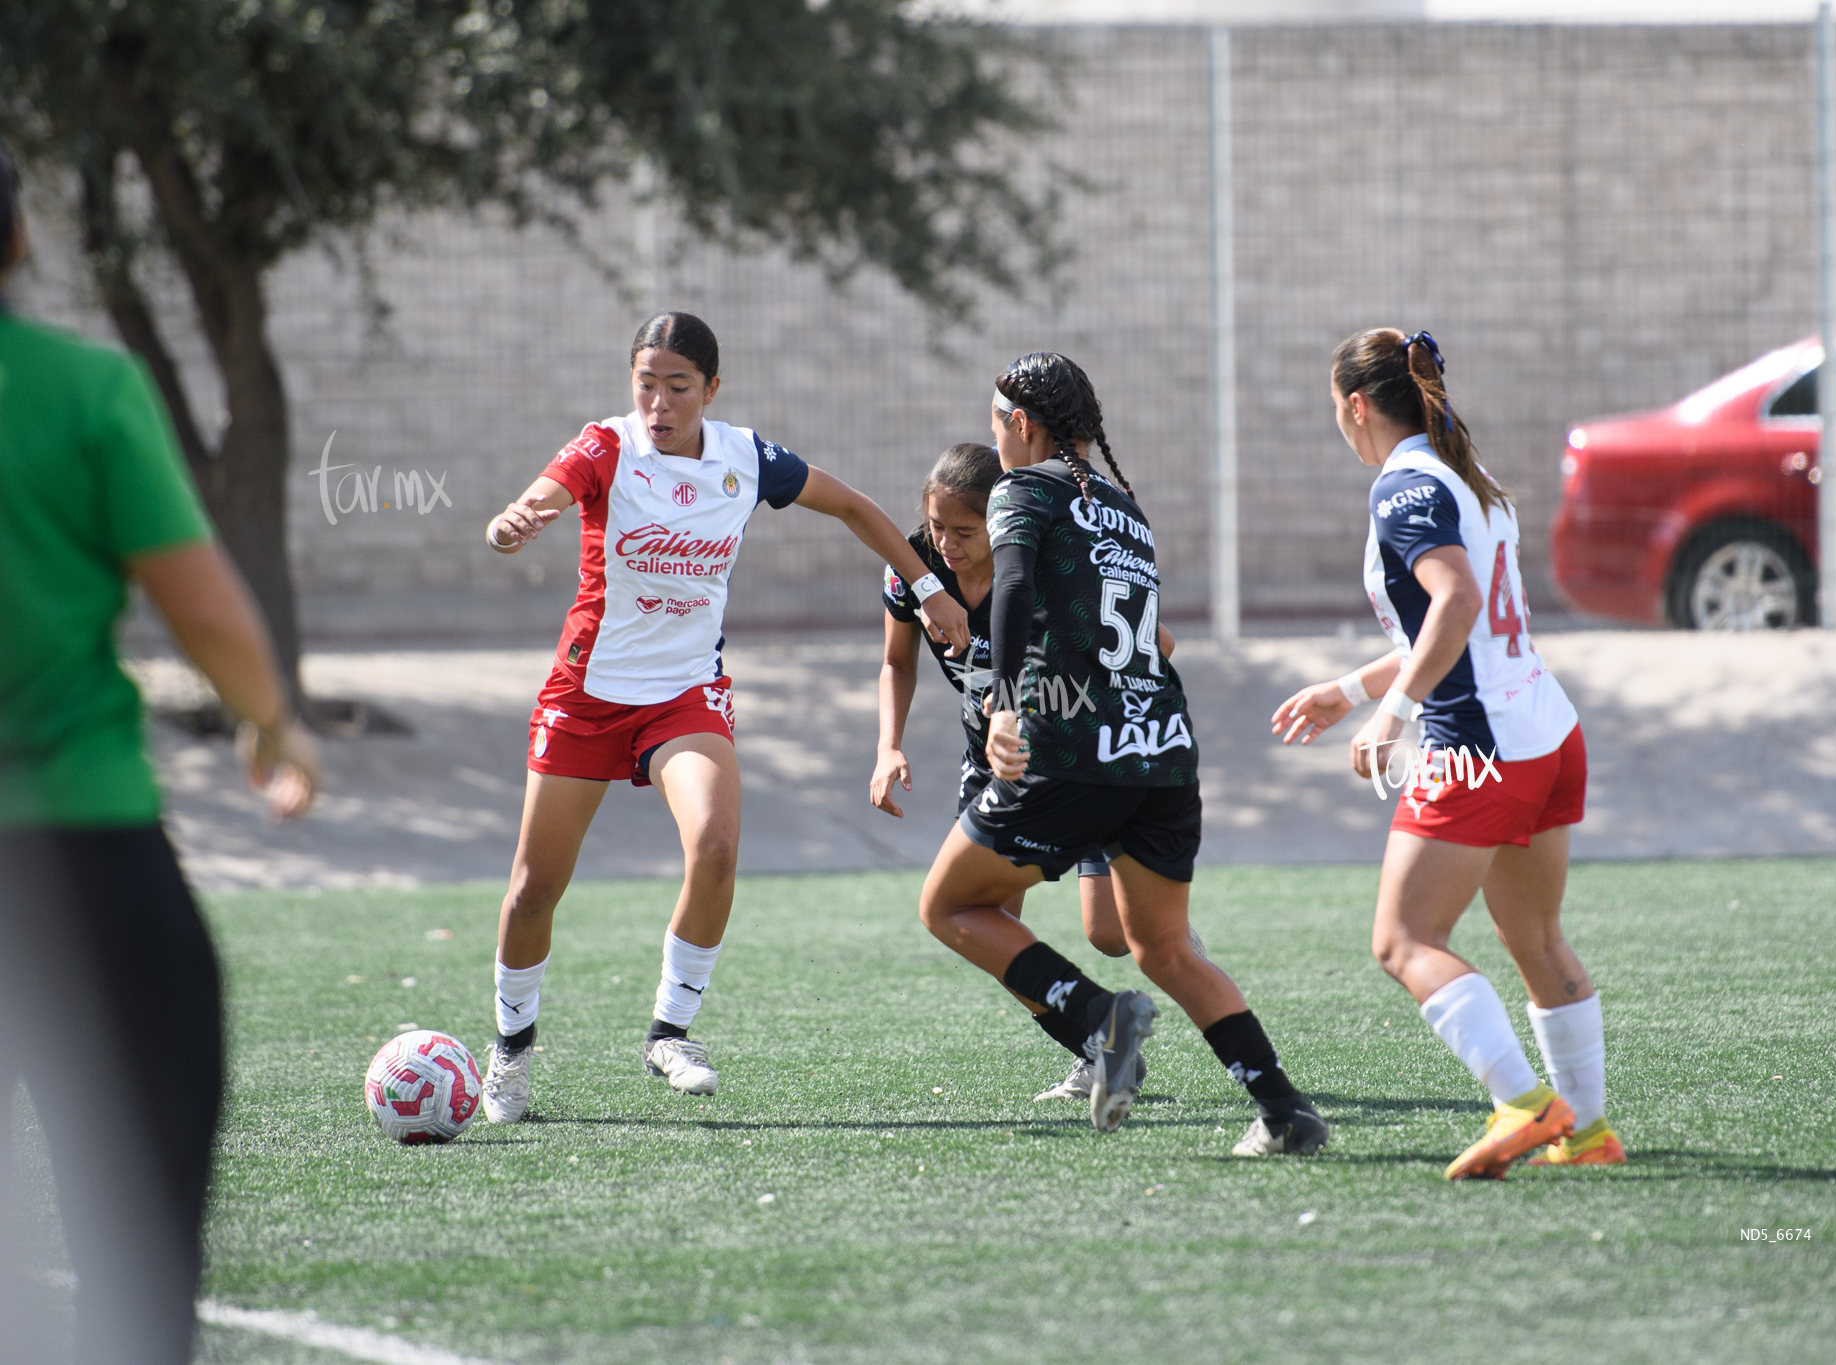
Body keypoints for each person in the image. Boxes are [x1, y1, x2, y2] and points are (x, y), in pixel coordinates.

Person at [478, 311, 969, 1120]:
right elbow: (541, 497)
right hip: (587, 695)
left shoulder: (747, 459)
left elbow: (855, 508)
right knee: (534, 888)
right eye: (646, 384)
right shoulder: (606, 447)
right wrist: (514, 522)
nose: (659, 404)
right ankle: (511, 1050)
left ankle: (670, 1031)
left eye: (677, 387)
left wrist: (926, 587)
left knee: (716, 844)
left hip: (683, 696)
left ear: (711, 389)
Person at [0, 137, 322, 1365]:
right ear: (20, 236)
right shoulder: (81, 390)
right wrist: (270, 723)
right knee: (134, 1237)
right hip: (82, 860)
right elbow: (204, 610)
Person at [917, 352, 1326, 1156]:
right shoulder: (1121, 508)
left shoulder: (1020, 489)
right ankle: (1285, 1110)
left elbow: (1015, 586)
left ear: (1020, 425)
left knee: (951, 906)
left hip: (1073, 748)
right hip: (1164, 751)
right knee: (1163, 947)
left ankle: (1101, 1020)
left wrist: (1002, 701)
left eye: (996, 420)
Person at [1271, 327, 1621, 1178]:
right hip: (1547, 731)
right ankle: (1588, 1133)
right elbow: (1451, 619)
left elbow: (1456, 601)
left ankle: (1525, 1105)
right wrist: (1349, 689)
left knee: (1403, 939)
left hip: (1480, 746)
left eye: (1336, 411)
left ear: (1358, 406)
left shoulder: (1402, 489)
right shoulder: (1471, 474)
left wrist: (1391, 712)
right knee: (1534, 936)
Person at [871, 442, 1192, 1103]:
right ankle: (1097, 1045)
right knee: (986, 922)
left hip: (1088, 755)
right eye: (937, 527)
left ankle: (1168, 947)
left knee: (1110, 932)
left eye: (964, 531)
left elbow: (1156, 645)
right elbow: (897, 662)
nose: (947, 544)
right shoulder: (914, 568)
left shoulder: (1049, 561)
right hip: (996, 765)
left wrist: (1059, 688)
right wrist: (888, 744)